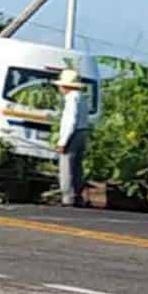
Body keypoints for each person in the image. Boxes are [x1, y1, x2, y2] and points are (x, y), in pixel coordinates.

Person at [54, 69, 90, 208]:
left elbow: (70, 122)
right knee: (77, 167)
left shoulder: (71, 99)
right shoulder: (81, 97)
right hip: (82, 132)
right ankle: (78, 195)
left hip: (73, 134)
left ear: (66, 86)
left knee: (66, 167)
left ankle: (68, 197)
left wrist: (63, 142)